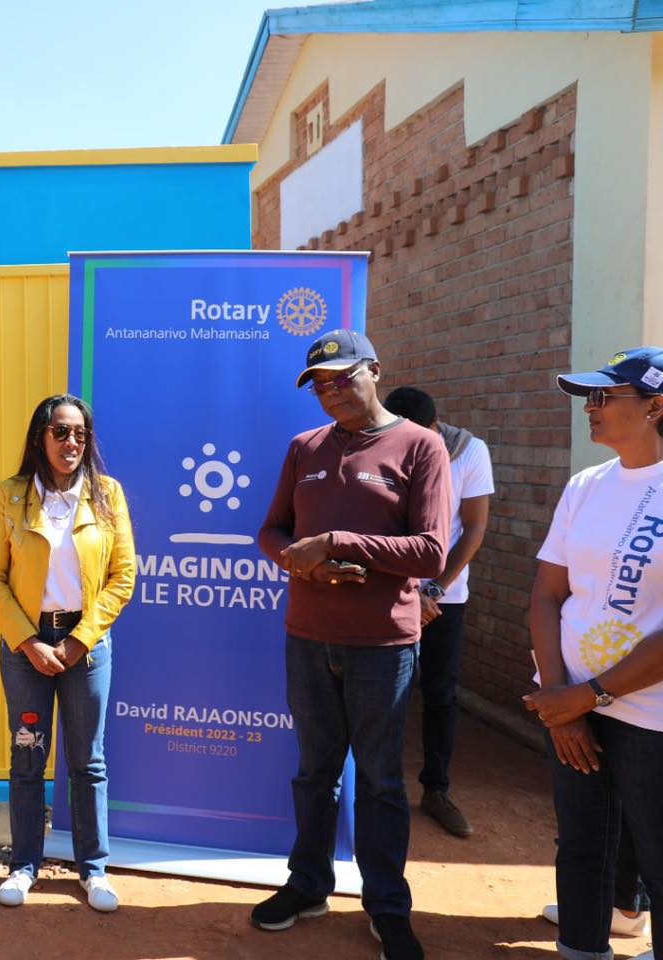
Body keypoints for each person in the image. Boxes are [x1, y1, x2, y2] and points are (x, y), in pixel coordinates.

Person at [251, 329, 450, 960]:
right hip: (308, 638)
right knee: (315, 773)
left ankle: (388, 906)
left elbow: (431, 549)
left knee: (382, 782)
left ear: (375, 370)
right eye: (319, 384)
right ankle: (308, 885)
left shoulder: (421, 447)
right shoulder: (303, 447)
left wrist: (337, 541)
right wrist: (302, 564)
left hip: (382, 646)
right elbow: (272, 531)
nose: (331, 392)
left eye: (343, 377)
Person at [524, 347, 663, 960]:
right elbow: (547, 596)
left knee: (656, 856)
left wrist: (589, 694)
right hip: (573, 703)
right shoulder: (586, 486)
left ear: (656, 406)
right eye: (589, 396)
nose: (592, 407)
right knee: (580, 844)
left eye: (606, 396)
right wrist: (564, 702)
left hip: (649, 715)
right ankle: (582, 949)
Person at [0, 394, 136, 913]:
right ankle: (24, 866)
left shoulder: (107, 494)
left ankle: (94, 871)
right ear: (40, 437)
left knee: (88, 763)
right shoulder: (11, 495)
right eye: (62, 432)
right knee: (27, 759)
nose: (72, 443)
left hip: (85, 647)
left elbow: (123, 576)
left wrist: (77, 641)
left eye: (81, 434)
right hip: (26, 646)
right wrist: (28, 641)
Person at [383, 386, 494, 837]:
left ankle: (436, 790)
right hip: (390, 595)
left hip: (442, 598)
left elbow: (474, 527)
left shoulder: (468, 451)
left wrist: (433, 589)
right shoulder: (378, 444)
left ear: (434, 427)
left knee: (440, 696)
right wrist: (408, 590)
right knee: (383, 696)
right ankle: (377, 791)